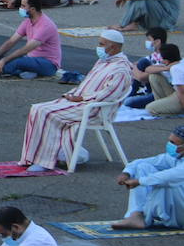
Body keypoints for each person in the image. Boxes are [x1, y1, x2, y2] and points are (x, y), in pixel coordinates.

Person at [20, 30, 133, 172]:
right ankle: (42, 155)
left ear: (114, 47)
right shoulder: (104, 61)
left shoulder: (121, 68)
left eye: (101, 44)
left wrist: (81, 98)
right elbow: (86, 84)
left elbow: (108, 94)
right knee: (37, 108)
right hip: (81, 102)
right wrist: (72, 95)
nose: (98, 47)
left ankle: (46, 160)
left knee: (47, 113)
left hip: (95, 109)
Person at [113, 126, 184, 229]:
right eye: (170, 141)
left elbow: (170, 176)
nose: (169, 145)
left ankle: (142, 214)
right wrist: (126, 173)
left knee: (164, 181)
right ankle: (136, 215)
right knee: (142, 167)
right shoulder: (176, 157)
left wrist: (139, 181)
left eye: (173, 143)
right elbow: (142, 162)